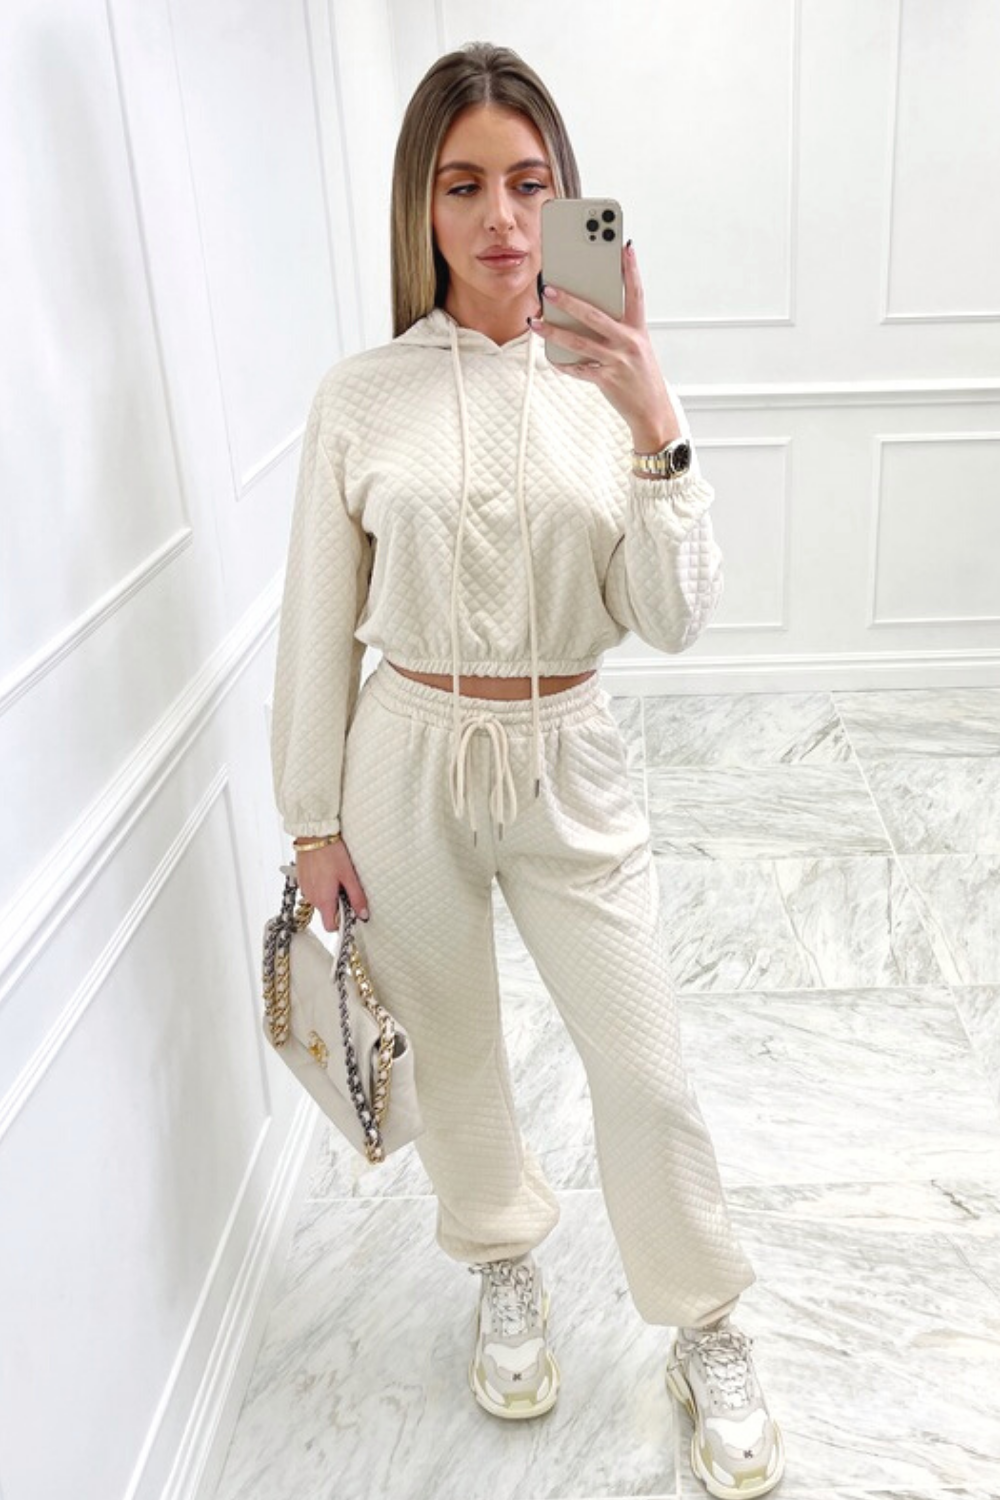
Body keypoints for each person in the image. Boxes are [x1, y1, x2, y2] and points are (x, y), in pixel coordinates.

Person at [270, 40, 785, 1500]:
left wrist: (655, 419)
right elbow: (317, 620)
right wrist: (312, 821)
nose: (500, 217)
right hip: (406, 756)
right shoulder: (359, 397)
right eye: (463, 185)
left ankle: (706, 1324)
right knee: (457, 1053)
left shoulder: (604, 384)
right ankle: (503, 1262)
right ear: (420, 206)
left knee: (648, 1069)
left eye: (529, 182)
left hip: (571, 755)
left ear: (566, 201)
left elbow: (672, 617)